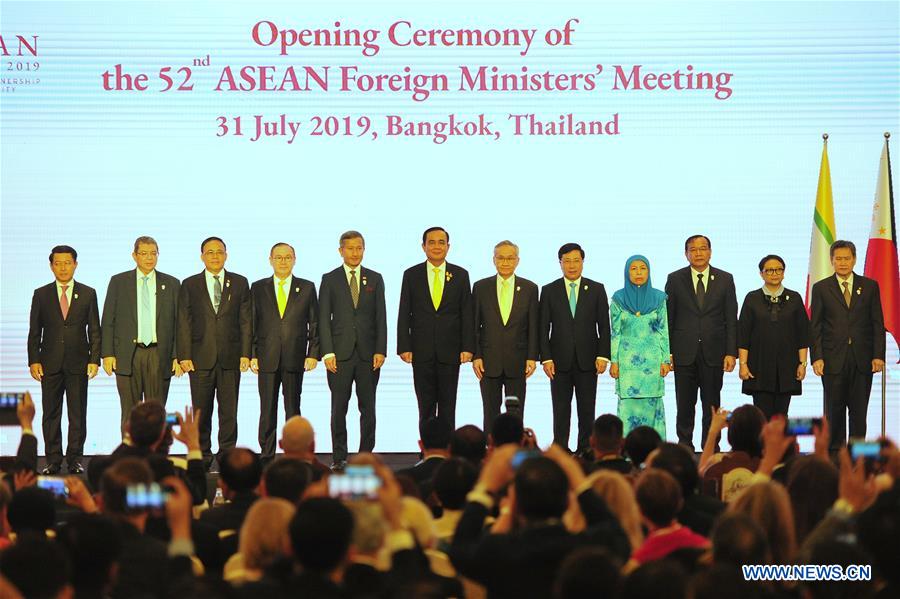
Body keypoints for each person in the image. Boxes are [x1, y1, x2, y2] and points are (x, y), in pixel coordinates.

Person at [450, 445, 630, 599]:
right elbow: (617, 536)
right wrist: (578, 480)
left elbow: (460, 548)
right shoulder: (587, 551)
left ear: (515, 504)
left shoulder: (498, 551)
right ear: (569, 502)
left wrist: (486, 487)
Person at [177, 236, 252, 471]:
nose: (215, 256)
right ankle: (202, 456)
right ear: (202, 256)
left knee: (229, 412)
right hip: (200, 358)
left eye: (219, 252)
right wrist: (184, 355)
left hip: (231, 357)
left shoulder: (240, 282)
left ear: (226, 255)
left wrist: (246, 353)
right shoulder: (190, 284)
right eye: (210, 252)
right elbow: (184, 322)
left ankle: (227, 456)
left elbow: (246, 321)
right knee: (201, 411)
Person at [27, 245, 100, 474]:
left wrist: (94, 359)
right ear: (51, 266)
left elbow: (95, 330)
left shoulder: (88, 293)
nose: (63, 268)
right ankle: (53, 460)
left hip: (79, 363)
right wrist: (34, 360)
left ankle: (75, 459)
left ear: (75, 264)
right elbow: (34, 331)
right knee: (51, 413)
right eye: (57, 263)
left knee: (77, 413)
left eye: (67, 263)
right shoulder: (41, 294)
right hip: (49, 363)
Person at [319, 230, 387, 470]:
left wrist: (381, 350)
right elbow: (323, 318)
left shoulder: (375, 278)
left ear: (364, 250)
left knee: (368, 408)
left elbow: (381, 317)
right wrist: (328, 352)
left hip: (369, 355)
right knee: (339, 409)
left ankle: (365, 456)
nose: (355, 252)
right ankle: (339, 457)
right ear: (341, 251)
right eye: (350, 248)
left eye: (359, 248)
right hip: (339, 355)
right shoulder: (330, 279)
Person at [101, 236, 182, 436]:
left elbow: (179, 324)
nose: (149, 258)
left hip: (159, 354)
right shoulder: (119, 282)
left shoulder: (172, 283)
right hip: (128, 355)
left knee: (157, 413)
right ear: (134, 256)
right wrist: (108, 354)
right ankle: (129, 452)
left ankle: (156, 452)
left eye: (153, 253)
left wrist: (176, 355)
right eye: (144, 253)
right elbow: (108, 319)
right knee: (130, 412)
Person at [397, 227, 474, 434]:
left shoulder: (460, 275)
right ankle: (427, 448)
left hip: (451, 351)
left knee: (448, 406)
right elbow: (404, 312)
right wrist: (404, 346)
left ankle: (448, 448)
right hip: (421, 351)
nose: (437, 246)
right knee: (425, 407)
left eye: (441, 242)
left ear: (448, 246)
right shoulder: (411, 274)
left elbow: (467, 313)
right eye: (431, 242)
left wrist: (468, 347)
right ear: (423, 247)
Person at [810, 240, 886, 450]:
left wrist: (878, 355)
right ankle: (835, 457)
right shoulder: (821, 288)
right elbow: (815, 326)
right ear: (831, 261)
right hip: (832, 359)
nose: (843, 263)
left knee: (859, 413)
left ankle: (858, 457)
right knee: (834, 413)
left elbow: (877, 323)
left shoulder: (869, 286)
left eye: (847, 258)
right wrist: (817, 357)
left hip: (863, 359)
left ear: (854, 259)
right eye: (838, 259)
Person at [665, 235, 738, 449]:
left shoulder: (725, 279)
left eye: (703, 248)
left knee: (711, 405)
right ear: (686, 253)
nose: (698, 253)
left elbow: (731, 318)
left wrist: (731, 352)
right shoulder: (675, 279)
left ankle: (711, 446)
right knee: (684, 405)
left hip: (714, 352)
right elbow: (669, 318)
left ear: (710, 252)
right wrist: (668, 352)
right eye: (693, 249)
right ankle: (684, 446)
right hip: (683, 352)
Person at [250, 242, 320, 464]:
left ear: (294, 260)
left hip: (295, 357)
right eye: (278, 257)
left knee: (293, 409)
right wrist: (252, 354)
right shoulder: (258, 287)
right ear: (270, 260)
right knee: (267, 410)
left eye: (288, 257)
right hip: (266, 357)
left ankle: (295, 455)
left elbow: (315, 323)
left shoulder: (307, 287)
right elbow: (252, 323)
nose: (283, 261)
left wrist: (313, 353)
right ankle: (266, 455)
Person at [540, 242, 611, 453]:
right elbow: (543, 328)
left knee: (587, 409)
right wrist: (546, 358)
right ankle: (560, 449)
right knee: (560, 409)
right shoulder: (549, 290)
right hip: (558, 361)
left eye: (576, 261)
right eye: (567, 261)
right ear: (560, 263)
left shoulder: (596, 289)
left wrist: (603, 355)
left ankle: (585, 450)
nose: (572, 265)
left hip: (588, 360)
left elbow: (604, 326)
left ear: (583, 262)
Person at [472, 240, 539, 433]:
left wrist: (532, 357)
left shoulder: (530, 288)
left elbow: (533, 325)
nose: (505, 262)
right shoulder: (481, 287)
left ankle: (515, 447)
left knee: (515, 413)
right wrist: (476, 355)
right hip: (488, 360)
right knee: (490, 411)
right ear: (493, 260)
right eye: (500, 258)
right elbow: (474, 325)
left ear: (517, 260)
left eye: (510, 258)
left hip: (518, 360)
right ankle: (490, 447)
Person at [738, 254, 810, 419]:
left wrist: (802, 364)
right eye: (769, 270)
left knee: (781, 417)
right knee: (761, 417)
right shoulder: (752, 298)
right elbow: (743, 334)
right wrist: (743, 364)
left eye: (778, 270)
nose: (774, 273)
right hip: (759, 366)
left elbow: (802, 334)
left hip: (787, 367)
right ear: (761, 274)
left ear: (784, 273)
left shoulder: (794, 298)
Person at [610, 255, 671, 439]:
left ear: (649, 272)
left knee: (653, 407)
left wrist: (666, 360)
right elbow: (615, 333)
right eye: (634, 268)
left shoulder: (659, 298)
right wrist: (614, 362)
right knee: (628, 410)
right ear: (627, 272)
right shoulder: (618, 299)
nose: (638, 273)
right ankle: (627, 451)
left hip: (652, 364)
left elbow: (663, 331)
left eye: (643, 268)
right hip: (627, 365)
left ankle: (655, 450)